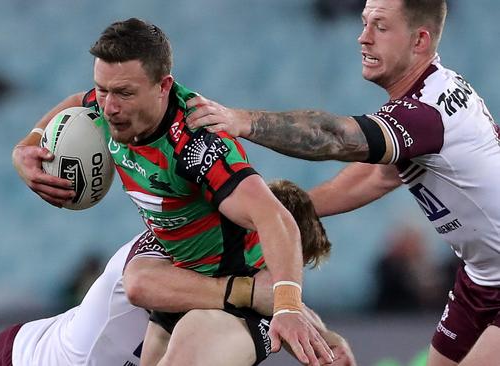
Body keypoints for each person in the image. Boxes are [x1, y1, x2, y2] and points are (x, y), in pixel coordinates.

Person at [185, 0, 500, 365]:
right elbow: (376, 177)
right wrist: (283, 209)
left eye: (380, 27)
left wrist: (242, 121)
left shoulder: (426, 114)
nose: (363, 38)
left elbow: (335, 137)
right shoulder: (433, 96)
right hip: (481, 277)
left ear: (420, 40)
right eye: (364, 23)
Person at [12, 18, 335, 366]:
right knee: (137, 284)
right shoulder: (108, 110)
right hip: (184, 285)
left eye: (123, 93)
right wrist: (27, 144)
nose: (108, 106)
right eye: (102, 90)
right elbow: (79, 102)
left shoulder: (197, 145)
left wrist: (287, 306)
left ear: (163, 86)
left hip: (236, 293)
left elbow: (274, 216)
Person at [0, 188, 355, 365]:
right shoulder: (185, 237)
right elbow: (142, 285)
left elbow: (286, 309)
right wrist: (247, 291)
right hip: (23, 358)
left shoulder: (254, 282)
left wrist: (325, 339)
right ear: (260, 237)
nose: (287, 278)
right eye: (285, 261)